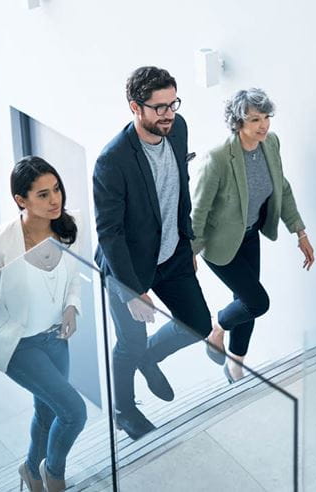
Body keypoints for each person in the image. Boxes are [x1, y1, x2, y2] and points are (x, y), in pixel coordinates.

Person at [93, 66, 212, 440]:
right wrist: (132, 290)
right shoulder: (112, 161)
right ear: (135, 107)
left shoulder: (178, 129)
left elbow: (182, 188)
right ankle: (123, 410)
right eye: (158, 107)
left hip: (173, 254)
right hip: (128, 266)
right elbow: (109, 233)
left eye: (172, 103)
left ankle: (150, 357)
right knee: (130, 342)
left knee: (199, 324)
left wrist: (187, 241)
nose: (168, 113)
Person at [0, 156, 86, 492]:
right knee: (73, 412)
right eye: (43, 194)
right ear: (20, 200)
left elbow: (74, 279)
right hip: (19, 345)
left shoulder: (74, 225)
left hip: (56, 338)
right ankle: (53, 473)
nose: (55, 199)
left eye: (56, 189)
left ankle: (29, 469)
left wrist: (72, 307)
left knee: (46, 413)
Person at [191, 88, 315, 382]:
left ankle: (235, 365)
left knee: (245, 302)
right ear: (237, 122)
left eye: (266, 117)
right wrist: (190, 253)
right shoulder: (217, 159)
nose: (263, 125)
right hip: (220, 246)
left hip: (249, 237)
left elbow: (281, 188)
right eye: (255, 119)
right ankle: (216, 329)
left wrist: (300, 232)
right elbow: (198, 211)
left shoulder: (270, 144)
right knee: (257, 302)